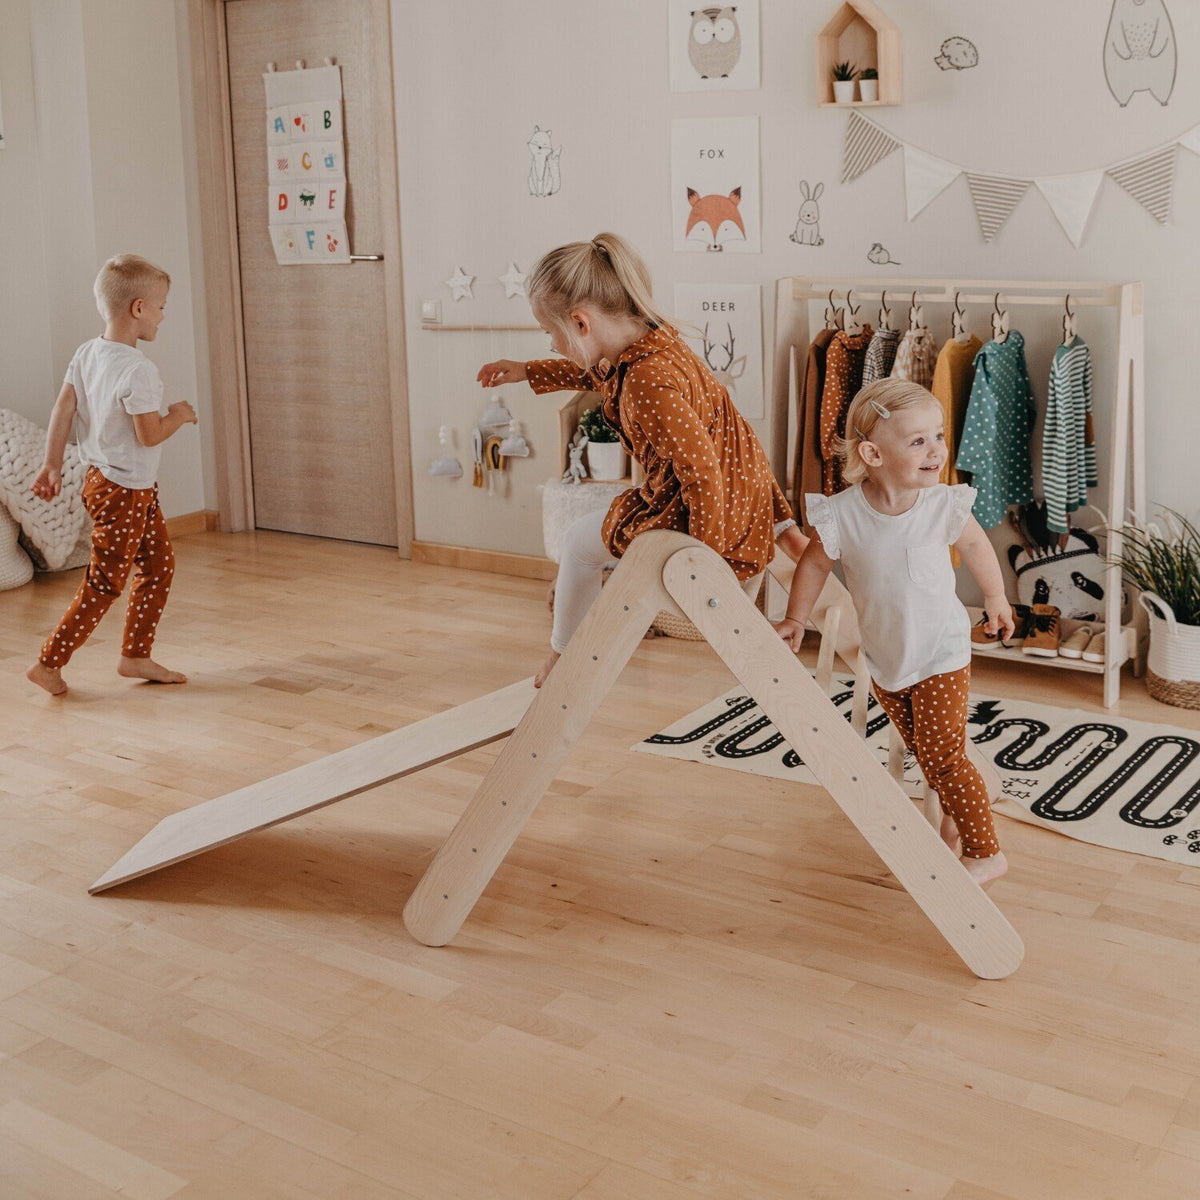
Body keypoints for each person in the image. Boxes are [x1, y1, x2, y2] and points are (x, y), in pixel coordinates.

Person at [476, 232, 806, 687]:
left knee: (577, 543)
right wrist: (529, 370)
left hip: (707, 509)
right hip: (742, 484)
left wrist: (703, 557)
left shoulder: (647, 380)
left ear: (580, 322)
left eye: (550, 334)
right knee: (589, 543)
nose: (553, 344)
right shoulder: (652, 344)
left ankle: (563, 655)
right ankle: (782, 532)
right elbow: (592, 368)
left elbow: (701, 471)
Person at [774, 378, 1014, 886]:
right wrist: (795, 619)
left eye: (939, 436)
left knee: (944, 755)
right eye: (918, 441)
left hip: (941, 651)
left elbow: (975, 548)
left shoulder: (942, 504)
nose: (936, 452)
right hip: (886, 658)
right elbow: (814, 567)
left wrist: (995, 599)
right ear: (872, 453)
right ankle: (955, 814)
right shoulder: (842, 514)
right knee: (932, 756)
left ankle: (984, 850)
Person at [26, 254, 198, 696]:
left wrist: (51, 463)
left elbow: (63, 408)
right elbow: (148, 434)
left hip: (111, 485)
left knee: (158, 566)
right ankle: (48, 662)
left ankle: (135, 655)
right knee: (104, 584)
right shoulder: (139, 370)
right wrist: (177, 416)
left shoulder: (88, 352)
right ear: (138, 309)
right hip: (124, 492)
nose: (163, 316)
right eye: (161, 307)